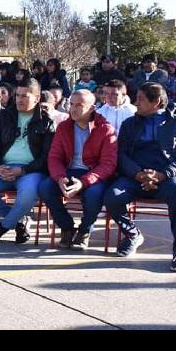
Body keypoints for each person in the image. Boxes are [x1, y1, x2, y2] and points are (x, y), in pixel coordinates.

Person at [103, 82, 176, 272]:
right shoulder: (129, 124)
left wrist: (164, 174)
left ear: (156, 102)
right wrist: (137, 173)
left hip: (168, 176)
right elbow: (121, 155)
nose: (135, 103)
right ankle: (132, 234)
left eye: (140, 99)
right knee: (112, 196)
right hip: (135, 176)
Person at [0, 79, 55, 243]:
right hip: (3, 167)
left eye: (25, 96)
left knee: (27, 196)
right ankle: (19, 221)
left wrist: (22, 171)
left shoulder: (46, 122)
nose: (19, 99)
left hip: (30, 171)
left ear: (37, 98)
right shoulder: (3, 117)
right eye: (17, 95)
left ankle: (4, 226)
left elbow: (46, 157)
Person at [38, 90, 117, 249]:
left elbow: (108, 164)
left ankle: (85, 230)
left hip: (93, 174)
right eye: (71, 104)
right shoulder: (64, 127)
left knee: (94, 194)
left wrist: (83, 182)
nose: (72, 109)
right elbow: (54, 157)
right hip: (69, 171)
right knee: (45, 187)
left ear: (92, 108)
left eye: (79, 105)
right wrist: (60, 178)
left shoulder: (105, 129)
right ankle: (67, 227)